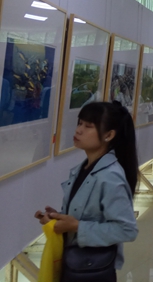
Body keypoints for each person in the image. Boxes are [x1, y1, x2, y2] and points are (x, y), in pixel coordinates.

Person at [34, 102, 139, 281]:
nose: (78, 130)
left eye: (88, 126)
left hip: (92, 271)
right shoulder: (84, 168)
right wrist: (58, 218)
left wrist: (76, 226)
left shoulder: (110, 177)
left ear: (109, 135)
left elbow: (127, 230)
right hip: (75, 266)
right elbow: (86, 215)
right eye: (80, 123)